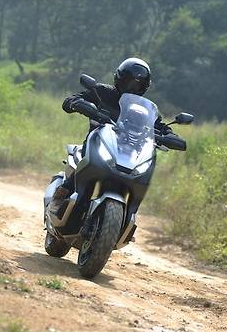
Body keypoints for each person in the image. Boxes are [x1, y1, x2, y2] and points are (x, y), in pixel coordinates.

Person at [49, 57, 172, 214]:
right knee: (85, 163)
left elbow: (161, 126)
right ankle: (63, 193)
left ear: (145, 87)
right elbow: (71, 100)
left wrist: (169, 136)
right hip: (99, 143)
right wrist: (77, 103)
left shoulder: (144, 110)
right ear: (119, 79)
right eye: (129, 82)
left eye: (138, 85)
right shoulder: (102, 92)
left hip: (129, 154)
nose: (132, 88)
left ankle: (128, 217)